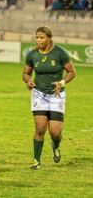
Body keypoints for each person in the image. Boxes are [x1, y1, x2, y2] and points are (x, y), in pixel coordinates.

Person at [22, 26, 76, 170]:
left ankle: (55, 145)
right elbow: (26, 73)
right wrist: (28, 80)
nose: (38, 40)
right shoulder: (32, 54)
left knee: (55, 132)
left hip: (56, 96)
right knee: (40, 128)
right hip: (39, 94)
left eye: (41, 37)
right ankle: (36, 161)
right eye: (37, 37)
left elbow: (71, 72)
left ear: (49, 38)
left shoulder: (60, 53)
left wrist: (62, 82)